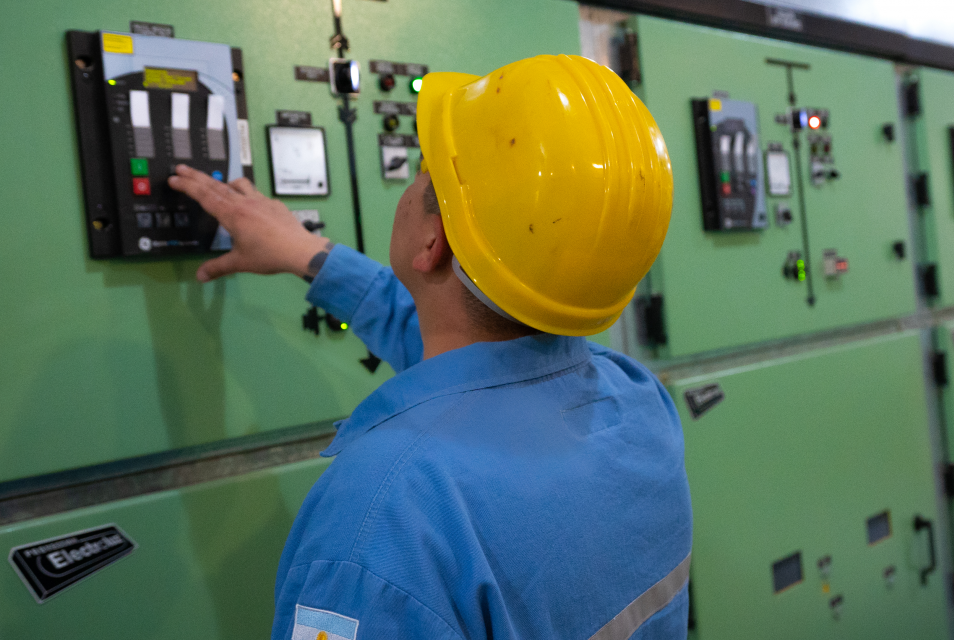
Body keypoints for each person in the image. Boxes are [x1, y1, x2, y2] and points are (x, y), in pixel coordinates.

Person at [169, 54, 692, 640]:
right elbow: (468, 353)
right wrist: (307, 254)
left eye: (421, 172)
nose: (410, 184)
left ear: (432, 241)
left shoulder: (381, 514)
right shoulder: (640, 401)